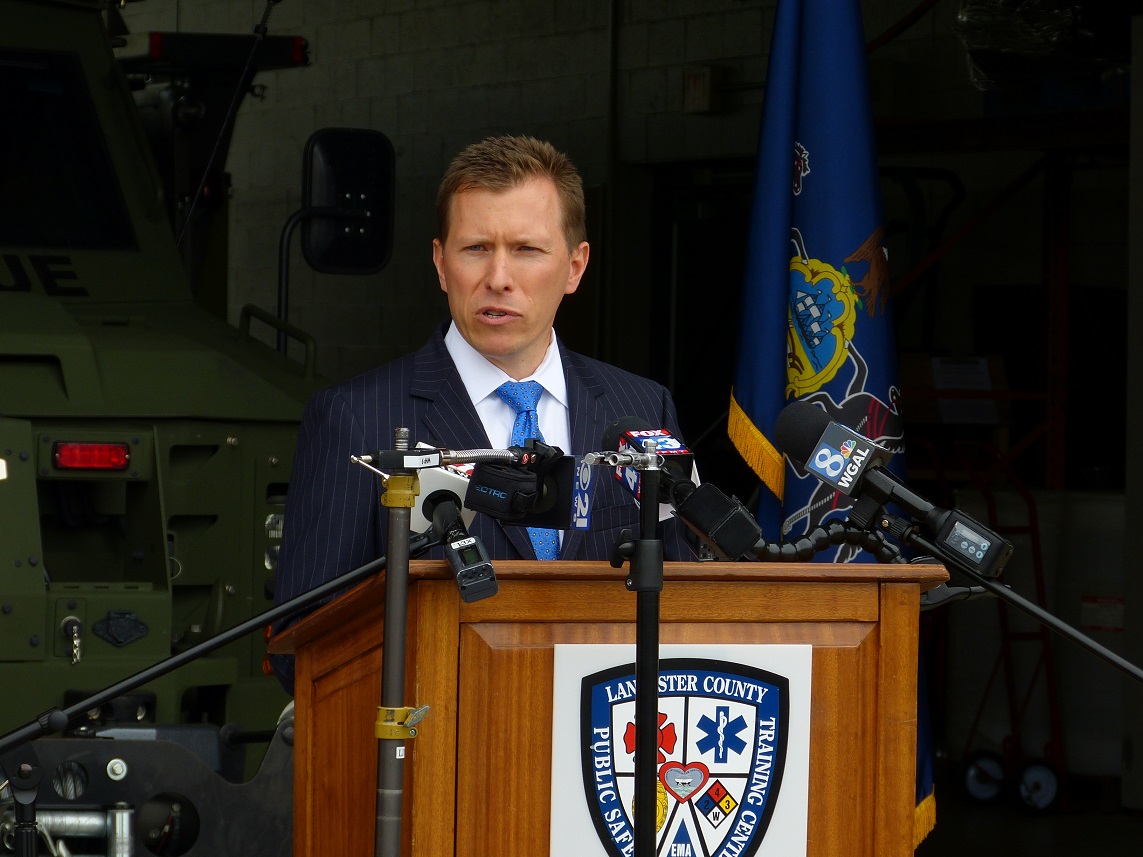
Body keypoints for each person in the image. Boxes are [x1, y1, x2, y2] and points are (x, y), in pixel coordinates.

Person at [269, 135, 696, 694]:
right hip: (442, 753)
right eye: (475, 249)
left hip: (606, 752)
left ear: (575, 267)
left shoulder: (641, 407)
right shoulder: (353, 417)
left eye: (526, 249)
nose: (498, 277)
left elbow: (690, 597)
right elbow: (303, 644)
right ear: (440, 263)